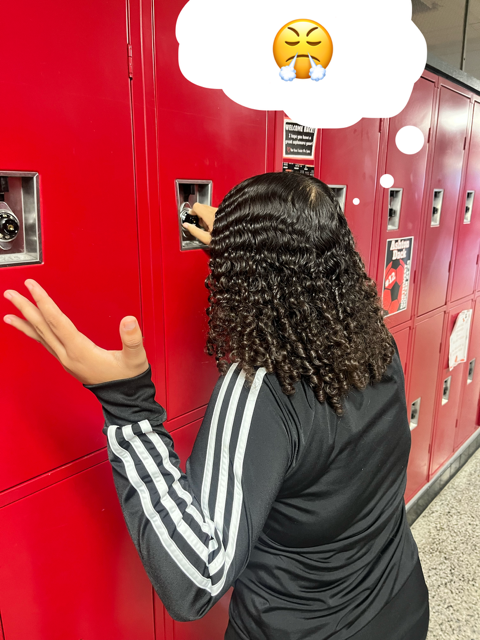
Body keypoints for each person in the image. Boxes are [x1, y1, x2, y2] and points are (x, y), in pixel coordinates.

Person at [2, 172, 429, 640]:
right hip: (401, 603)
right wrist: (242, 257)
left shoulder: (261, 390)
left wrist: (127, 403)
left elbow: (195, 578)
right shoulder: (371, 340)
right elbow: (301, 293)